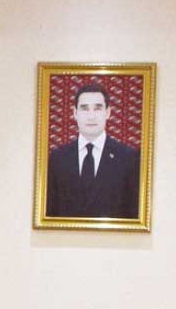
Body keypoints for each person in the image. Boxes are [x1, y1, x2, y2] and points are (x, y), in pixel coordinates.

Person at [44, 82, 142, 219]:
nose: (91, 116)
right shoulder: (57, 159)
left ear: (108, 112)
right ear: (75, 113)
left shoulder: (128, 158)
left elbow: (134, 215)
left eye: (97, 108)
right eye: (84, 108)